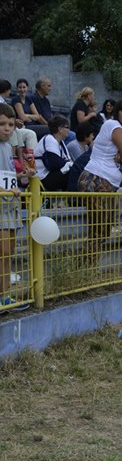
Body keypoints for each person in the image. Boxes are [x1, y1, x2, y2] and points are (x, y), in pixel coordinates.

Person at [78, 98, 122, 258]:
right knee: (99, 230)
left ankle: (87, 266)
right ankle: (85, 266)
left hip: (106, 183)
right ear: (117, 112)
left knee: (103, 231)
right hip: (96, 179)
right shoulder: (113, 125)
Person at [0, 103, 23, 308]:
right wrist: (6, 190)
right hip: (2, 207)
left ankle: (5, 296)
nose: (7, 128)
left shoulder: (8, 148)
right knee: (3, 252)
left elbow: (7, 176)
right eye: (2, 124)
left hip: (10, 206)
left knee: (8, 254)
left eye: (10, 124)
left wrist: (22, 176)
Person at [34, 114, 73, 190]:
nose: (69, 130)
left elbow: (67, 161)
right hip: (42, 178)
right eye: (67, 127)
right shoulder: (49, 139)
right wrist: (68, 164)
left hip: (50, 175)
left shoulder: (61, 143)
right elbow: (54, 164)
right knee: (71, 173)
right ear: (60, 129)